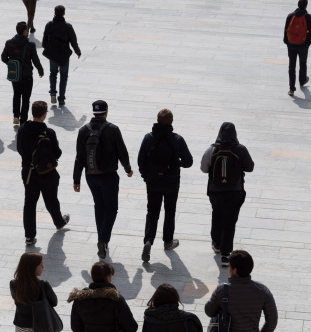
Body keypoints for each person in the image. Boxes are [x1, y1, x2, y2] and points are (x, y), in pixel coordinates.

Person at [73, 100, 133, 259]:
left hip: (91, 175)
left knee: (99, 206)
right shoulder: (112, 129)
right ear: (106, 112)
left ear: (93, 112)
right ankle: (102, 239)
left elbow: (79, 157)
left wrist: (76, 179)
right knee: (111, 209)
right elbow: (122, 151)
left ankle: (102, 239)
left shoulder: (83, 130)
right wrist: (127, 168)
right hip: (109, 176)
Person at [138, 109, 193, 263]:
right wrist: (177, 163)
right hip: (172, 182)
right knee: (170, 211)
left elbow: (140, 160)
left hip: (153, 181)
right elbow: (189, 162)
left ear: (157, 120)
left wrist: (146, 177)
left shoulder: (149, 138)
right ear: (171, 121)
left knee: (152, 212)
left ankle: (148, 241)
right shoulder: (177, 139)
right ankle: (168, 241)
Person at [200, 122, 254, 267]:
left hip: (215, 190)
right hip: (235, 191)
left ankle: (216, 243)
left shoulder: (212, 149)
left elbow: (204, 168)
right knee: (230, 221)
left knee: (217, 215)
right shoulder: (240, 149)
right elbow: (250, 167)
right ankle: (225, 254)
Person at [17, 100, 70, 245]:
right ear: (44, 114)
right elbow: (57, 154)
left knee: (29, 203)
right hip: (47, 173)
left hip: (29, 173)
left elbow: (20, 149)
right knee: (51, 199)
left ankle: (29, 236)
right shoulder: (49, 132)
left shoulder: (22, 129)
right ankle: (59, 221)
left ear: (32, 113)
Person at [1, 21, 44, 125]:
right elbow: (35, 59)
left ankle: (16, 116)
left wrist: (12, 64)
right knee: (26, 98)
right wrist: (40, 70)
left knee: (16, 94)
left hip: (15, 74)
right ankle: (23, 119)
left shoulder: (9, 42)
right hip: (27, 75)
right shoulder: (30, 44)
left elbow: (3, 58)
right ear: (25, 31)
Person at [42, 5, 81, 106]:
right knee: (63, 76)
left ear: (54, 13)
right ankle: (62, 99)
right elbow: (73, 41)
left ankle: (53, 93)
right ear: (64, 13)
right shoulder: (68, 26)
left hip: (53, 54)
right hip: (64, 55)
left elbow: (44, 42)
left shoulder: (49, 25)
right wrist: (77, 51)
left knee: (53, 73)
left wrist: (49, 48)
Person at [284, 0, 311, 96]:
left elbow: (286, 30)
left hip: (291, 45)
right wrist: (308, 43)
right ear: (306, 6)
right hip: (303, 45)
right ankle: (302, 80)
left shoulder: (290, 15)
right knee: (303, 63)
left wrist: (287, 42)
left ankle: (291, 89)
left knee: (292, 65)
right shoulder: (308, 17)